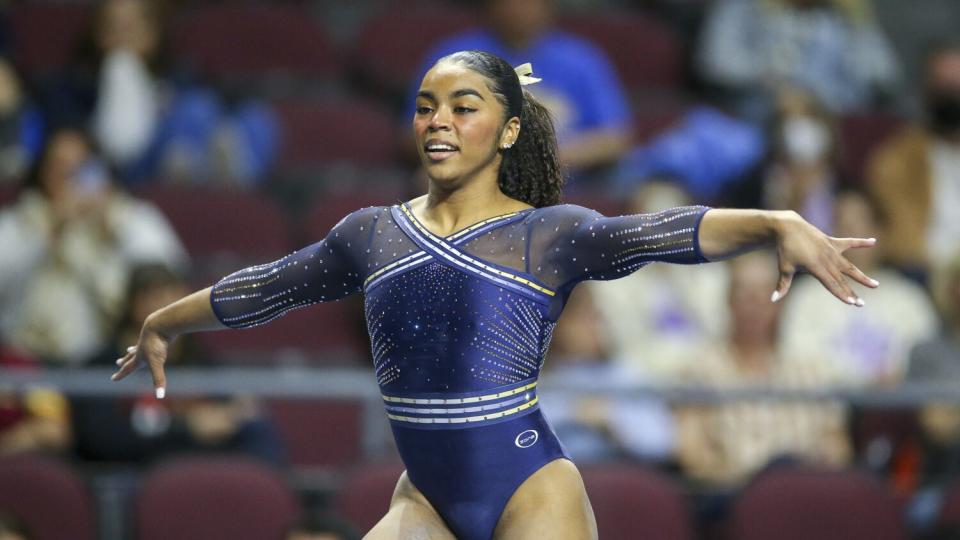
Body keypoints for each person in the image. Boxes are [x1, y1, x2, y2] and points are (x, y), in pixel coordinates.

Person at [112, 51, 878, 539]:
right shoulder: (370, 234)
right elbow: (268, 289)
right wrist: (165, 320)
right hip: (427, 498)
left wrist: (776, 221)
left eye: (463, 106)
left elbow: (665, 231)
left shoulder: (549, 235)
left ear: (508, 130)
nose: (438, 121)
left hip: (530, 492)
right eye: (425, 105)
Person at [0, 128, 187, 364]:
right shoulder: (18, 222)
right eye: (59, 166)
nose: (69, 175)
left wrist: (114, 223)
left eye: (79, 167)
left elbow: (169, 275)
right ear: (42, 171)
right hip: (24, 364)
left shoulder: (127, 217)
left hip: (103, 363)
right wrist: (50, 230)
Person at [867, 39, 960, 280]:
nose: (952, 95)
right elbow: (901, 239)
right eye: (944, 86)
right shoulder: (896, 160)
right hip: (927, 274)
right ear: (926, 90)